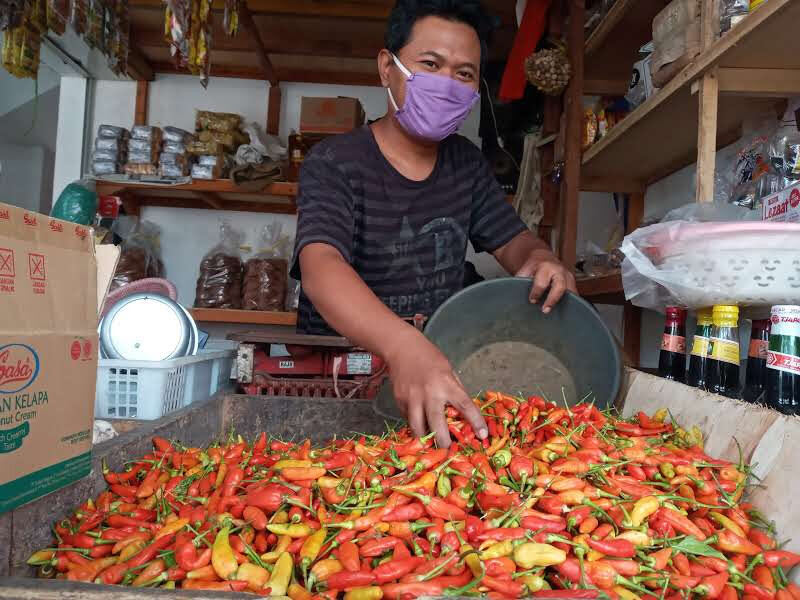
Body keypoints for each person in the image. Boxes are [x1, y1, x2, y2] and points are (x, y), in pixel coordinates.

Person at [291, 0, 576, 447]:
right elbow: (320, 267)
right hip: (342, 375)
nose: (447, 83)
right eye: (430, 64)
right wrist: (402, 346)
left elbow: (515, 243)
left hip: (435, 367)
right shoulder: (334, 162)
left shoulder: (465, 164)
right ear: (388, 67)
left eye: (463, 73)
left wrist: (542, 260)